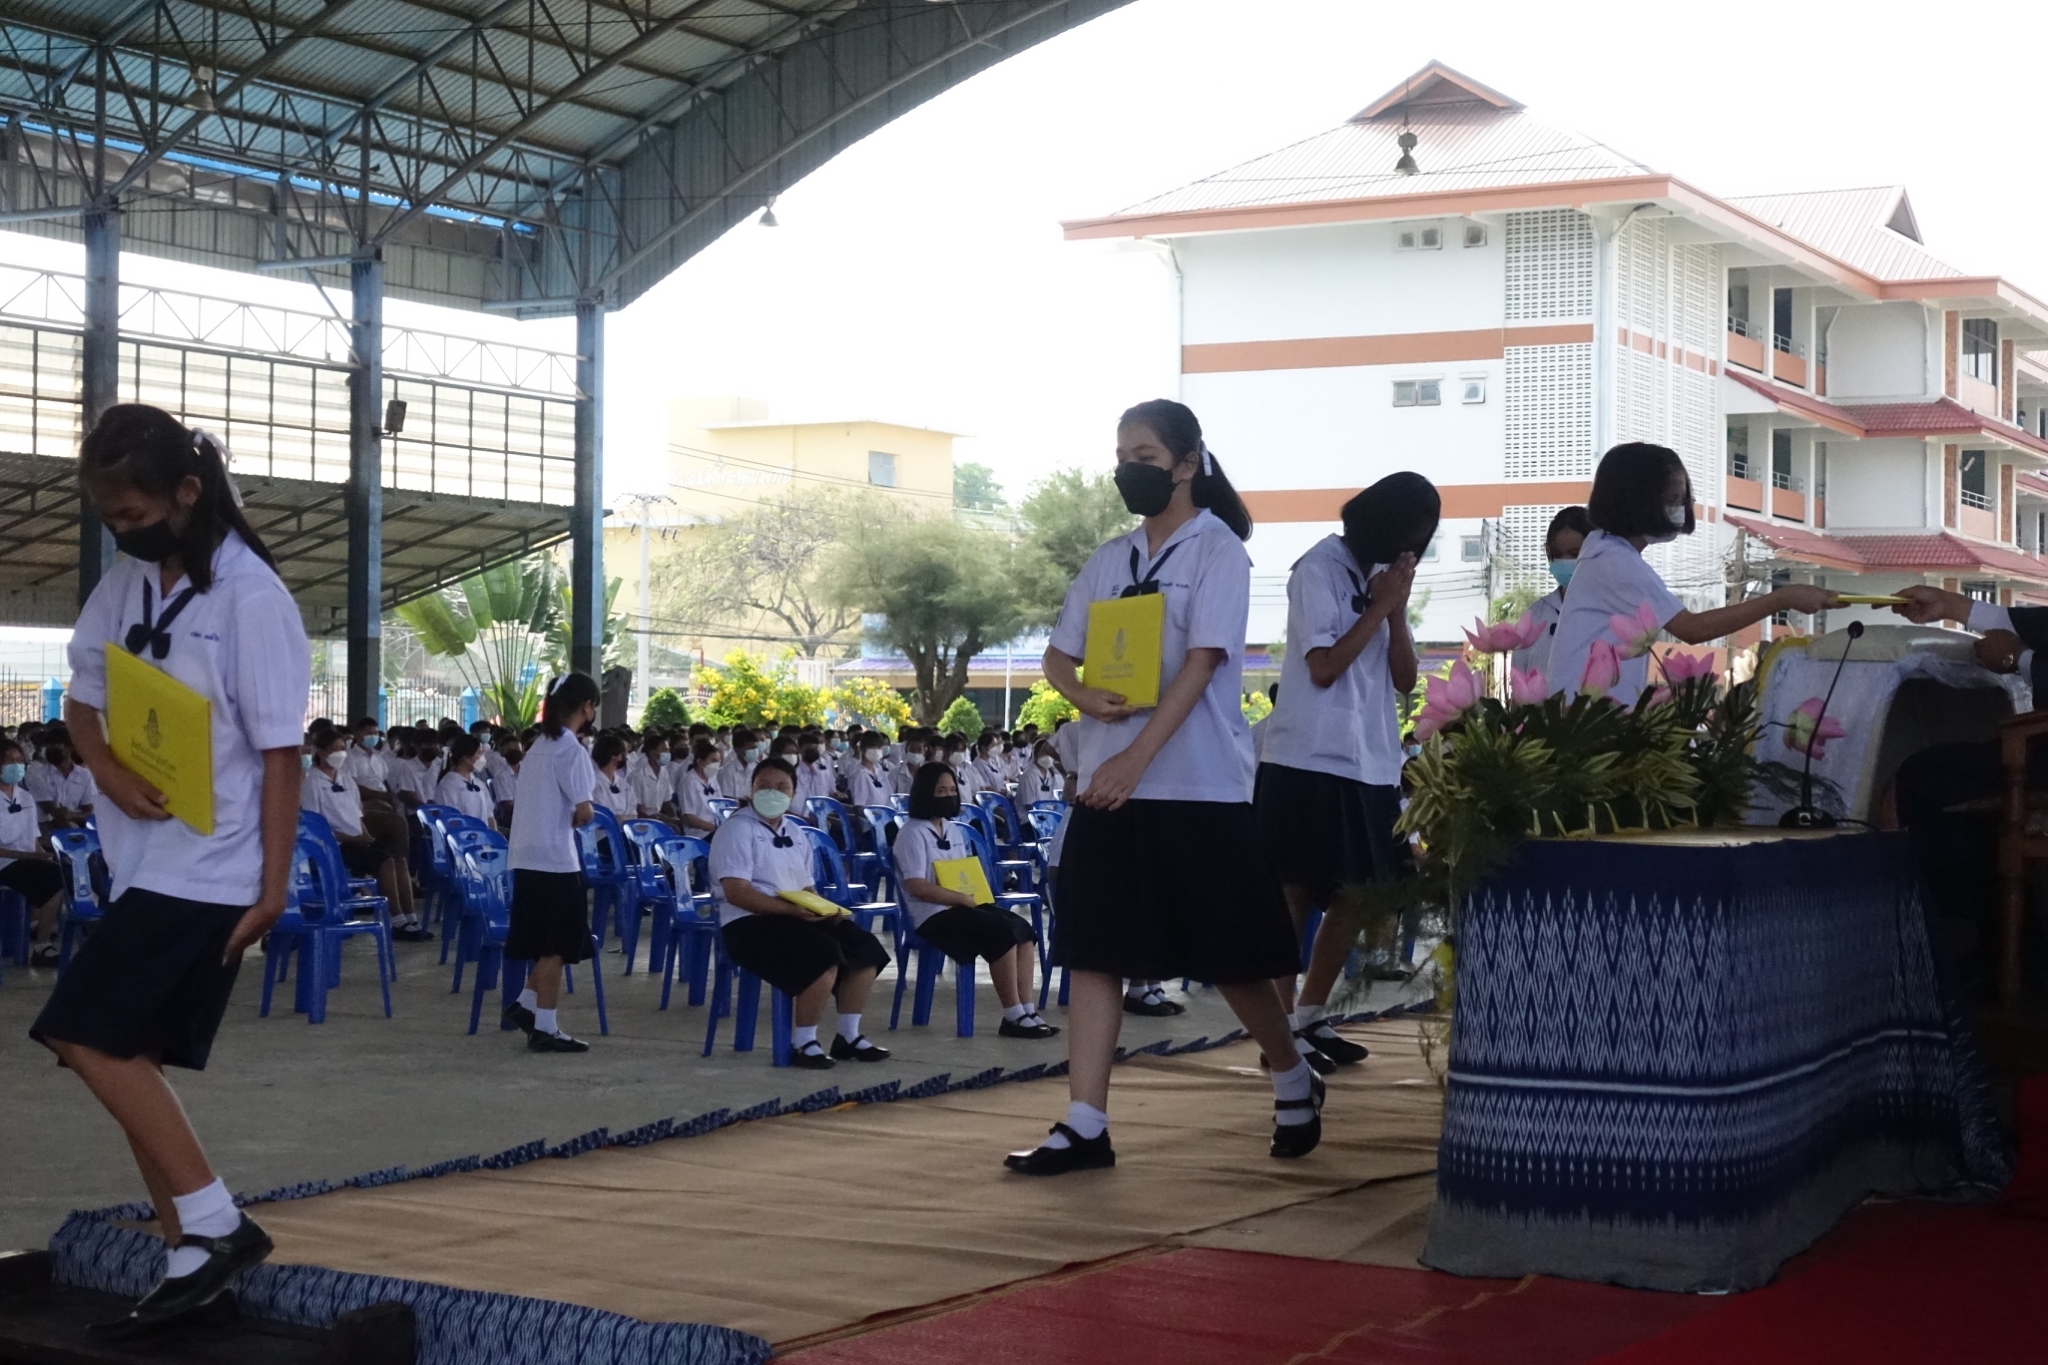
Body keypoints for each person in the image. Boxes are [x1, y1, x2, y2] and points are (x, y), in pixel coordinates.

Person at [30, 405, 309, 1333]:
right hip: (144, 860)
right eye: (110, 517)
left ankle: (217, 1224)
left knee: (80, 1032)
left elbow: (280, 755)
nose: (124, 530)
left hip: (214, 866)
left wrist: (273, 887)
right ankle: (190, 1252)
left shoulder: (252, 599)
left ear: (188, 492)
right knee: (130, 1054)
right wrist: (106, 769)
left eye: (135, 513)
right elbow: (82, 700)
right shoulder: (126, 583)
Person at [1007, 398, 1319, 1177]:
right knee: (1094, 950)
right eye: (1121, 456)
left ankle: (1290, 1073)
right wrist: (1084, 700)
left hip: (1197, 786)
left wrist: (1135, 759)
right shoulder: (1110, 559)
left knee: (1233, 957)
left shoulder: (1218, 552)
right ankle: (1085, 1122)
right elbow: (1058, 655)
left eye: (1143, 456)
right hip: (1109, 788)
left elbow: (1203, 663)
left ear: (1186, 463)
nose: (1128, 470)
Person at [1255, 472, 1437, 1072]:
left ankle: (1311, 1014)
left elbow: (1405, 680)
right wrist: (1379, 605)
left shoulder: (1383, 579)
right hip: (1307, 755)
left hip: (1371, 759)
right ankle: (1279, 1034)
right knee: (1294, 894)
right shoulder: (1318, 569)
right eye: (1408, 536)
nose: (1410, 551)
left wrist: (1396, 613)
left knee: (1361, 894)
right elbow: (1325, 666)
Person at [1549, 442, 1839, 701]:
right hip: (1585, 715)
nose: (1681, 508)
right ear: (1639, 502)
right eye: (1672, 499)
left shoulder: (1606, 552)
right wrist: (1783, 598)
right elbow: (1694, 629)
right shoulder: (1614, 560)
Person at [708, 757, 892, 1068]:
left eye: (782, 787)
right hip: (748, 923)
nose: (772, 793)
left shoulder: (795, 831)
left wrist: (823, 909)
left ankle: (848, 1035)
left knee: (865, 946)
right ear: (751, 789)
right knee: (822, 952)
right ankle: (804, 1042)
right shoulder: (736, 829)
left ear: (793, 793)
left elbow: (806, 887)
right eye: (763, 786)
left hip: (793, 915)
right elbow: (737, 892)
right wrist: (792, 911)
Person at [892, 761, 1057, 1039]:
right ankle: (1013, 1014)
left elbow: (961, 872)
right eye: (940, 791)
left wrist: (971, 895)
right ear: (924, 793)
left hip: (961, 905)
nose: (948, 796)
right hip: (932, 915)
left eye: (952, 790)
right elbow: (916, 885)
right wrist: (958, 898)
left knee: (1023, 930)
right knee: (999, 933)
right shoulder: (912, 833)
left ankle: (1028, 1009)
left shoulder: (952, 829)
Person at [502, 673, 602, 1054]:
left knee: (549, 942)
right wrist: (580, 818)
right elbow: (584, 811)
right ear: (587, 707)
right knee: (556, 948)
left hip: (527, 856)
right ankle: (545, 1027)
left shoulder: (537, 747)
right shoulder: (571, 751)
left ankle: (526, 1004)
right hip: (556, 860)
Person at [302, 726, 427, 939]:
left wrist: (367, 837)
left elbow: (358, 816)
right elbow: (315, 826)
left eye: (342, 748)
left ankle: (411, 917)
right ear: (320, 752)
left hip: (358, 839)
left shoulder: (346, 780)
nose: (340, 753)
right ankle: (396, 920)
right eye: (334, 749)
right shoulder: (312, 783)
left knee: (398, 858)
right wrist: (351, 838)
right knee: (384, 862)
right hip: (336, 845)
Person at [0, 737, 66, 968]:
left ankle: (39, 925)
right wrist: (32, 857)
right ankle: (41, 944)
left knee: (65, 870)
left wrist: (44, 855)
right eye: (10, 761)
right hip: (5, 862)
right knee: (52, 877)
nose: (16, 766)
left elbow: (33, 839)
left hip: (26, 860)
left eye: (20, 761)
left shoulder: (25, 797)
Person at [1512, 506, 1592, 682]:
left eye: (1574, 553)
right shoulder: (1535, 615)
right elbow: (1519, 681)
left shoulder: (1611, 611)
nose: (1564, 561)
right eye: (1557, 554)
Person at [28, 729, 97, 827]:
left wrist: (70, 815)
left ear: (69, 748)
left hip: (78, 824)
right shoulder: (39, 776)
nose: (50, 751)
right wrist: (71, 818)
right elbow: (52, 813)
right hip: (47, 826)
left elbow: (89, 810)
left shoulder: (84, 775)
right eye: (48, 747)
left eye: (54, 746)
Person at [433, 733, 497, 829]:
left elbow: (489, 815)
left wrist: (494, 835)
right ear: (466, 758)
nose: (482, 758)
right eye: (479, 754)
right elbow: (451, 821)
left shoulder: (479, 784)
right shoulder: (448, 786)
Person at [672, 737, 722, 835]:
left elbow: (720, 805)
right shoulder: (688, 782)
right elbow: (689, 818)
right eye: (713, 760)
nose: (717, 764)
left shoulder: (712, 779)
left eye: (718, 761)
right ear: (700, 761)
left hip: (716, 828)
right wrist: (713, 829)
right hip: (700, 833)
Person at [590, 734, 634, 821]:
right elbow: (603, 816)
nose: (626, 756)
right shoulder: (593, 783)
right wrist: (621, 819)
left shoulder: (623, 784)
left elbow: (633, 814)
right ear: (614, 756)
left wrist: (622, 819)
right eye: (624, 752)